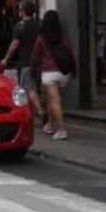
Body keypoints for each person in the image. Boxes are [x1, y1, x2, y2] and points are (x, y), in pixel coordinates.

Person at [31, 10, 76, 141]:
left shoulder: (41, 37)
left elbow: (35, 57)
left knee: (54, 100)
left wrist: (33, 71)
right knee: (54, 99)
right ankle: (49, 124)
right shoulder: (64, 35)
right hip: (63, 73)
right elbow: (71, 53)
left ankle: (62, 129)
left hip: (49, 73)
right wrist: (75, 70)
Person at [1, 1, 43, 121]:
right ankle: (30, 114)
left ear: (23, 12)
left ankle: (40, 112)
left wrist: (6, 58)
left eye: (20, 10)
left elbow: (15, 44)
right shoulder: (38, 25)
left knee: (29, 89)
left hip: (26, 62)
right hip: (39, 61)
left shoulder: (20, 26)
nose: (18, 12)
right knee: (34, 87)